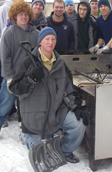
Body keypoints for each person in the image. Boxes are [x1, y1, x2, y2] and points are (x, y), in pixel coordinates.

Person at [9, 27, 87, 163]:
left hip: (56, 111)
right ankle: (26, 135)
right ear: (40, 42)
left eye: (53, 39)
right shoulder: (28, 62)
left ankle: (64, 151)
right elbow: (14, 88)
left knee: (79, 124)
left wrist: (76, 107)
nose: (50, 42)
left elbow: (69, 89)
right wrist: (31, 79)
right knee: (41, 158)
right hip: (34, 114)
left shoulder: (60, 64)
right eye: (47, 39)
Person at [0, 0, 39, 143]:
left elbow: (38, 56)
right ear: (14, 16)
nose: (23, 17)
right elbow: (5, 57)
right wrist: (9, 78)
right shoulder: (9, 34)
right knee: (3, 105)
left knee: (27, 107)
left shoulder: (35, 34)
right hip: (13, 78)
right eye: (20, 14)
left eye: (26, 14)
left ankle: (26, 131)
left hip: (28, 78)